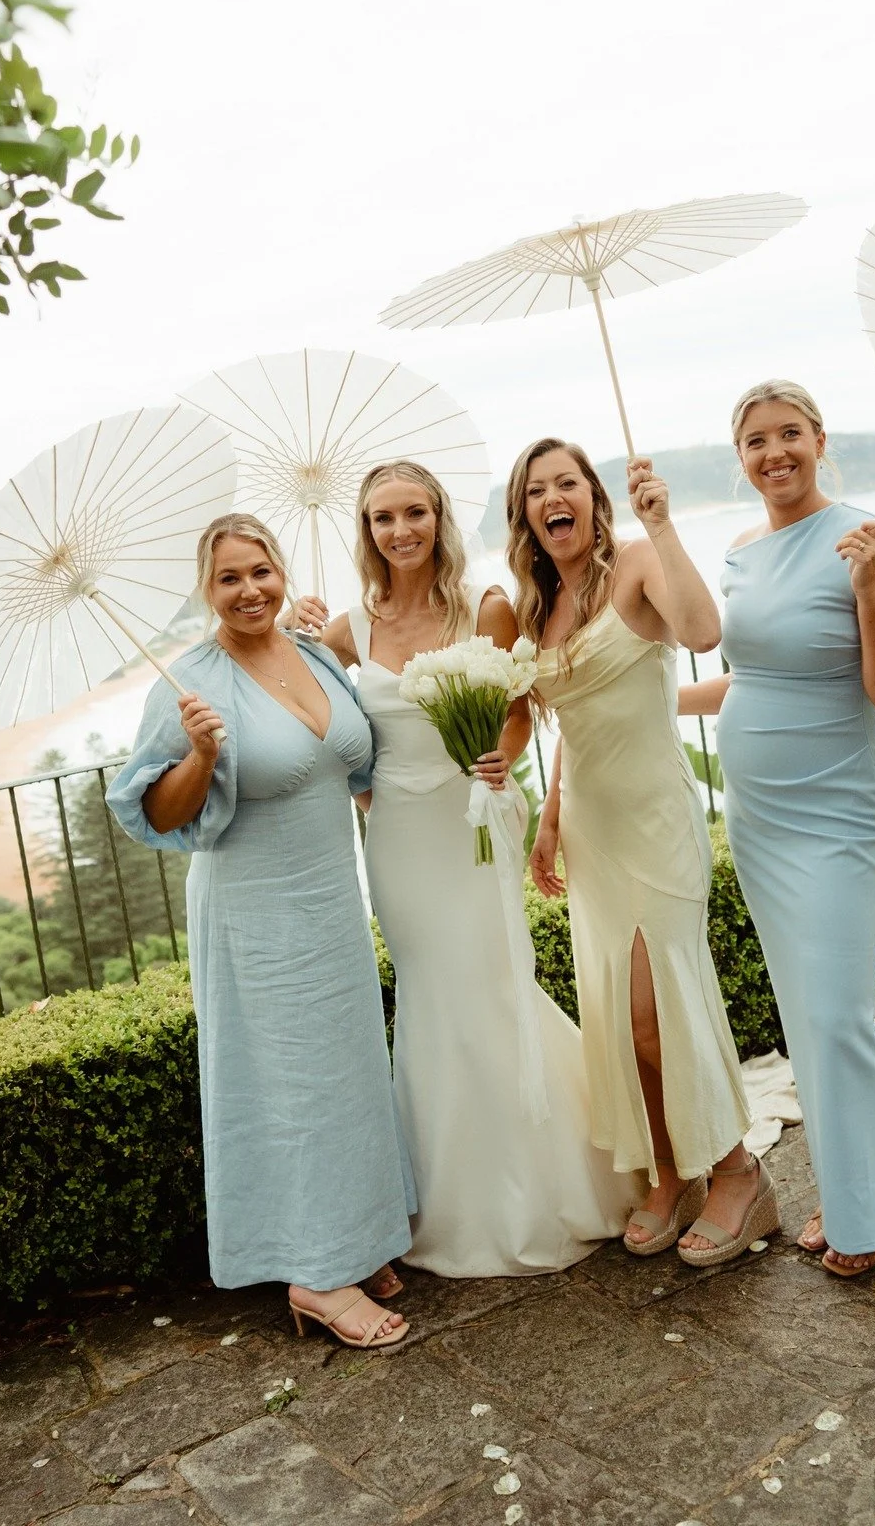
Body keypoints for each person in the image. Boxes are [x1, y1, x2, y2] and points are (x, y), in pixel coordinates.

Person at [291, 461, 639, 1275]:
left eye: (414, 512)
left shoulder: (483, 607)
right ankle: (444, 1197)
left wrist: (497, 762)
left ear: (439, 519)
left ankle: (543, 1182)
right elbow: (307, 706)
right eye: (383, 518)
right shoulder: (348, 627)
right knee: (430, 1003)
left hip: (474, 820)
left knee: (491, 988)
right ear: (366, 531)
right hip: (399, 842)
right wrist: (296, 627)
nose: (400, 530)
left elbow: (520, 714)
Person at [106, 512, 416, 1347]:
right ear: (205, 590)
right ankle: (317, 1276)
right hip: (256, 913)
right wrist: (200, 756)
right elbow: (156, 815)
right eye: (229, 579)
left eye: (261, 573)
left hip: (331, 901)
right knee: (292, 1086)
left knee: (346, 1070)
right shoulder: (189, 685)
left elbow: (352, 760)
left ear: (282, 574)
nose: (249, 591)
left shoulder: (312, 650)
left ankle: (360, 1236)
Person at [681, 381, 875, 1276]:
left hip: (835, 810)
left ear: (820, 440)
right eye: (755, 440)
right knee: (806, 1019)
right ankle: (860, 1190)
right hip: (760, 820)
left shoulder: (873, 539)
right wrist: (647, 703)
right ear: (739, 457)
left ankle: (872, 1214)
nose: (774, 452)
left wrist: (865, 589)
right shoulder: (743, 550)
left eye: (789, 434)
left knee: (835, 1014)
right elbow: (749, 679)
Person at [516, 438, 775, 1268]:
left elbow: (703, 630)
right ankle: (668, 1174)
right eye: (535, 491)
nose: (553, 498)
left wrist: (662, 527)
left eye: (568, 484)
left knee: (658, 1014)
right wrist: (550, 817)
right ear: (525, 514)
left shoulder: (633, 564)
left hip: (657, 825)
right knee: (623, 1027)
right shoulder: (539, 607)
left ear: (594, 498)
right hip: (592, 831)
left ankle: (738, 1174)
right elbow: (573, 727)